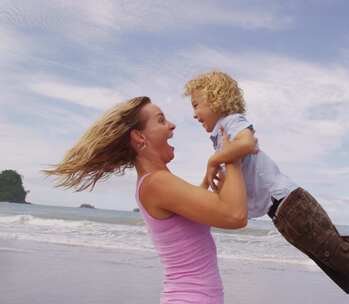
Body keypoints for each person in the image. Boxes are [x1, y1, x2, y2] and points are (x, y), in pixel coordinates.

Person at [184, 71, 349, 304]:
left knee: (333, 248)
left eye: (196, 105)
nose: (194, 114)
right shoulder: (220, 141)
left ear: (216, 100)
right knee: (325, 254)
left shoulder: (231, 121)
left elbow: (248, 143)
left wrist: (213, 162)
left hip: (289, 202)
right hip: (278, 212)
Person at [44, 96, 249, 304]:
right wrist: (231, 154)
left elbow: (200, 217)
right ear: (139, 137)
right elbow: (235, 216)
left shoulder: (155, 183)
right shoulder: (156, 184)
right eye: (161, 120)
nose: (171, 125)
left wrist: (209, 178)